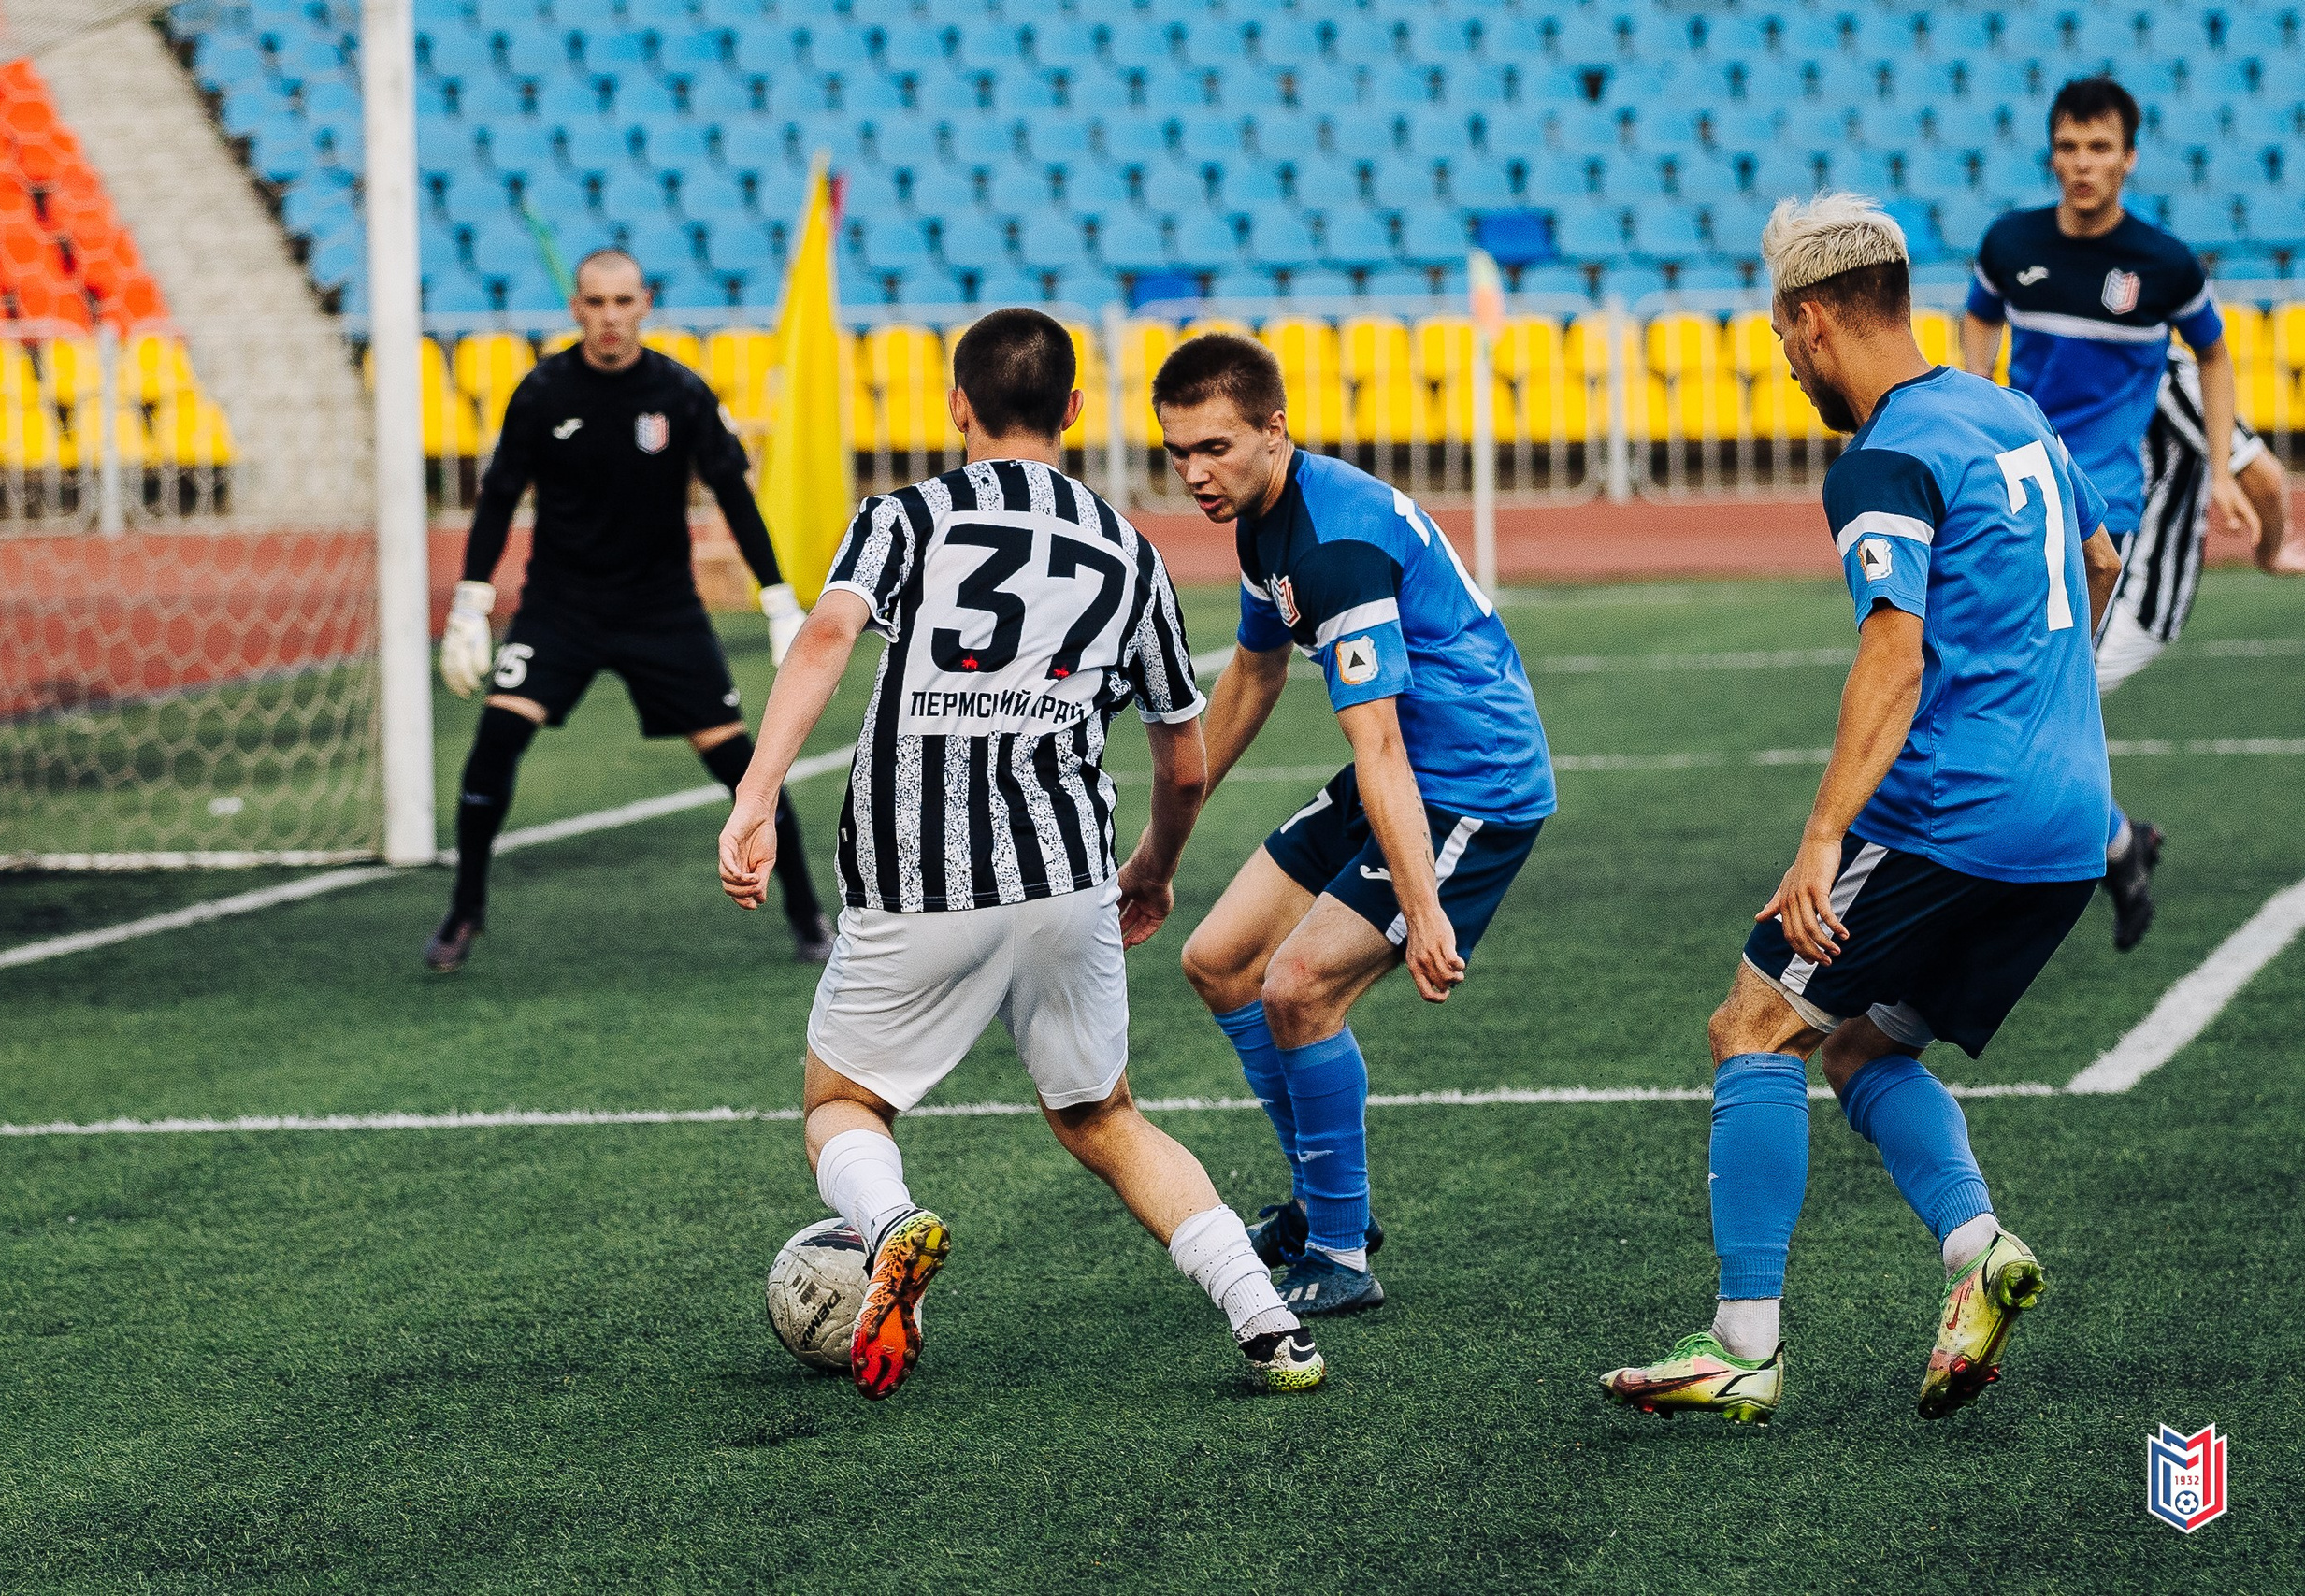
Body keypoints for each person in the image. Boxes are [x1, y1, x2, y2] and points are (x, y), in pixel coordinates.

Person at [717, 308, 1323, 1401]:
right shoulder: (1130, 554)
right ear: (1076, 413)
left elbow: (823, 638)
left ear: (957, 407)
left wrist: (756, 797)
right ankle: (1267, 1318)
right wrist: (1153, 866)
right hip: (1065, 874)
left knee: (841, 1103)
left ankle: (892, 1224)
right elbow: (1183, 762)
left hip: (917, 873)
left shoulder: (904, 517)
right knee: (1105, 1117)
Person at [1602, 194, 2123, 1426]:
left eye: (1781, 333)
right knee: (1859, 1045)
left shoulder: (1886, 454)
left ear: (1813, 315)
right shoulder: (2013, 414)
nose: (1783, 357)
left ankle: (1742, 1344)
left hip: (1956, 808)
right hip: (2067, 820)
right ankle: (1977, 1247)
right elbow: (2101, 564)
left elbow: (1892, 658)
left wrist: (1824, 836)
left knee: (1753, 1022)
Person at [1159, 334, 1557, 1318]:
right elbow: (1253, 673)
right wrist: (1165, 839)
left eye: (1213, 447)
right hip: (1404, 768)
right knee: (1218, 959)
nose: (1194, 474)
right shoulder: (1263, 518)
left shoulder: (1332, 547)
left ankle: (1338, 1250)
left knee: (1297, 988)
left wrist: (1423, 912)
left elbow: (1377, 741)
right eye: (1177, 453)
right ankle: (1318, 1200)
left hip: (1469, 785)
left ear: (1273, 430)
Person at [426, 249, 829, 971]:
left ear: (645, 303)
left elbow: (735, 494)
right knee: (493, 745)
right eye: (596, 303)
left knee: (744, 764)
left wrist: (777, 600)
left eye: (622, 302)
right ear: (575, 309)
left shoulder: (679, 393)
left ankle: (806, 913)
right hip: (560, 605)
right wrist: (471, 600)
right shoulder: (542, 393)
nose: (610, 317)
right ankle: (464, 911)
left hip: (661, 609)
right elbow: (498, 497)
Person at [1960, 75, 2260, 951]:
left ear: (2128, 158)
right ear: (2050, 153)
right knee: (2019, 701)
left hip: (2103, 514)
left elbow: (2215, 356)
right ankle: (2119, 845)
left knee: (2034, 704)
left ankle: (2092, 853)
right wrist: (1971, 437)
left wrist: (2223, 466)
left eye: (2099, 147)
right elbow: (1978, 338)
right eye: (2068, 145)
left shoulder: (2163, 264)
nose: (2081, 163)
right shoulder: (2008, 245)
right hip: (2017, 500)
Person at [2101, 341, 2298, 694]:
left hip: (2133, 594)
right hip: (2099, 583)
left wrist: (2271, 553)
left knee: (2030, 711)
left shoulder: (2167, 376)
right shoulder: (2108, 360)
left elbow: (2264, 479)